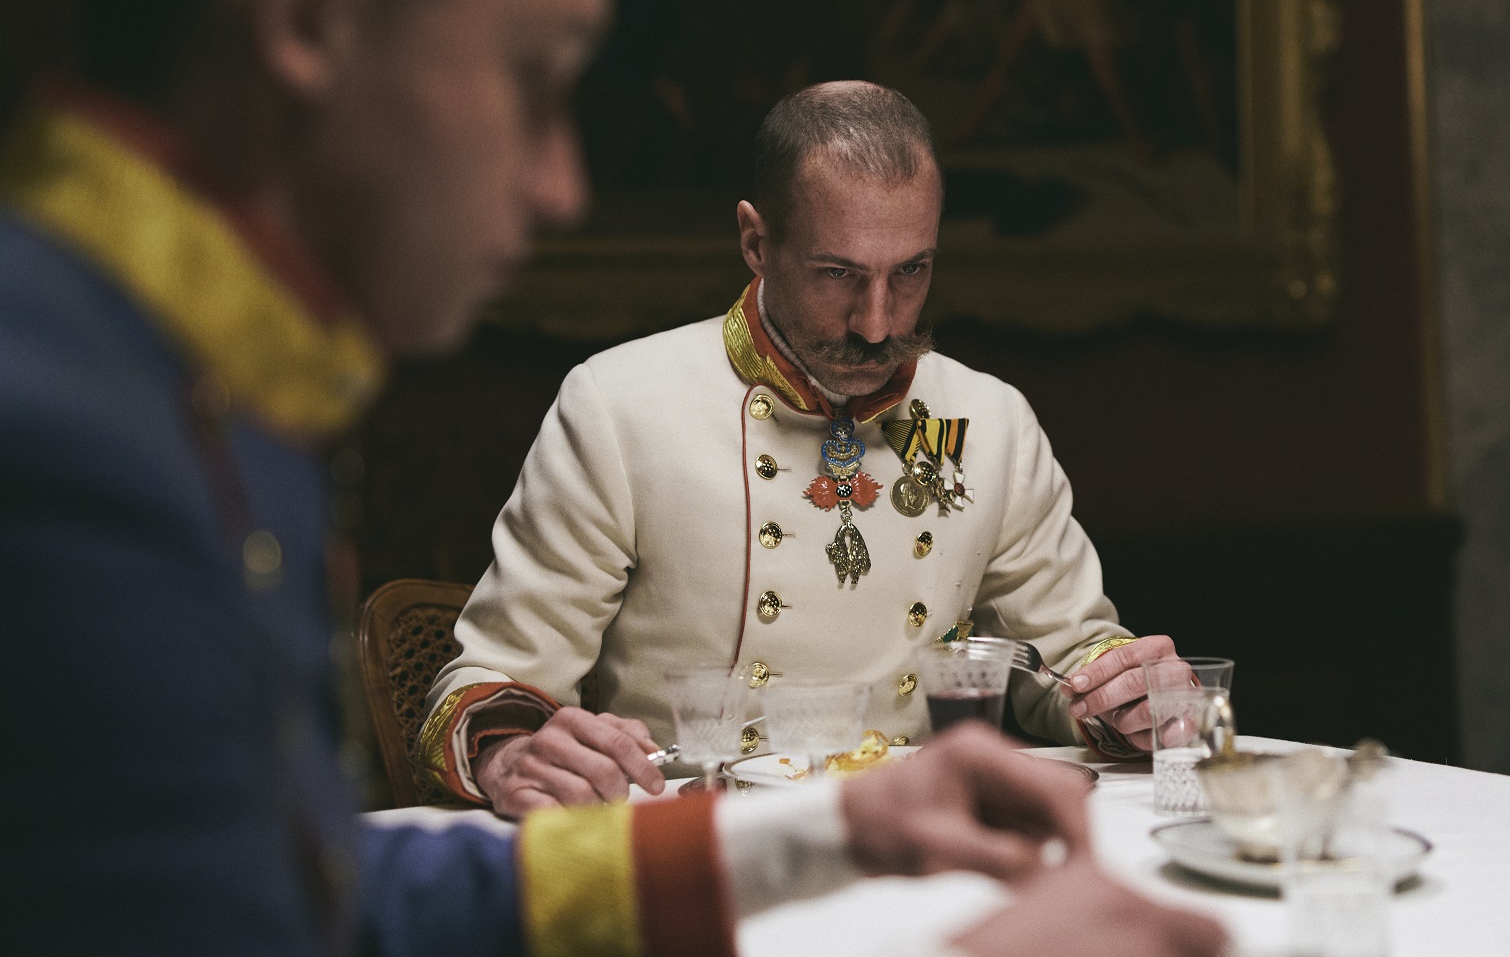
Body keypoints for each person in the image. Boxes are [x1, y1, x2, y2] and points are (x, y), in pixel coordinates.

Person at [0, 0, 1226, 957]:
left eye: (908, 275)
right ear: (307, 10)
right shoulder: (59, 447)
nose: (561, 181)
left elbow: (331, 909)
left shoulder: (201, 394)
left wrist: (833, 836)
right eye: (534, 77)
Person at [425, 81, 1191, 816]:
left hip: (923, 840)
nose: (878, 324)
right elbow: (497, 681)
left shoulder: (989, 421)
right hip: (700, 846)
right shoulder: (618, 408)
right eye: (839, 274)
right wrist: (507, 753)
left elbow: (1064, 659)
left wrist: (1124, 694)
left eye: (911, 271)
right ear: (756, 241)